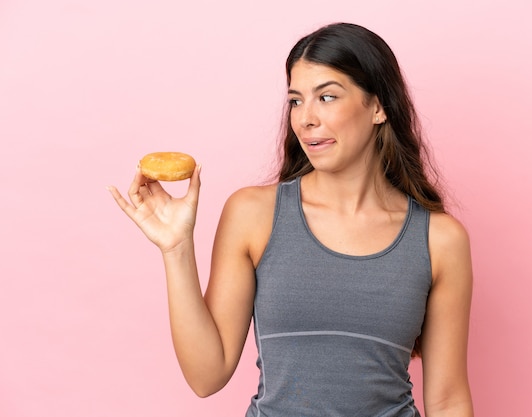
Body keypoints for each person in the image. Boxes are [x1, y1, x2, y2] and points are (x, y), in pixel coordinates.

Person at [109, 22, 473, 417]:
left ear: (378, 106)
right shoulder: (253, 214)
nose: (305, 119)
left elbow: (448, 400)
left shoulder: (440, 239)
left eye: (327, 97)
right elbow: (206, 375)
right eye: (296, 101)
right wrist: (177, 249)